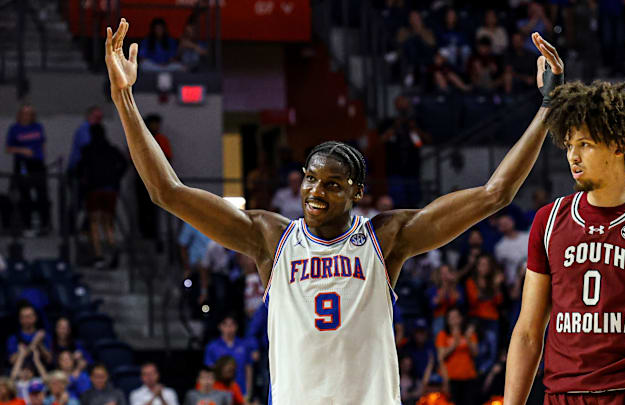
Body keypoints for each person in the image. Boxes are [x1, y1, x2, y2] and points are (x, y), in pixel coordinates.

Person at [106, 20, 563, 404]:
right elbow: (166, 190)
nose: (315, 191)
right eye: (309, 178)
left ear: (357, 192)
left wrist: (547, 108)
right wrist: (125, 100)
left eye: (331, 184)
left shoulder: (387, 237)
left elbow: (494, 193)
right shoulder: (269, 237)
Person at [504, 79, 625, 405]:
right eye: (568, 146)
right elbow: (528, 332)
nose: (573, 157)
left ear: (619, 145)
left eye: (585, 144)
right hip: (562, 397)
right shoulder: (548, 221)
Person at [75, 124, 128, 268]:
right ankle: (112, 247)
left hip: (94, 189)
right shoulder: (112, 150)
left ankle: (98, 255)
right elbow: (124, 164)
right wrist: (115, 178)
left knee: (94, 223)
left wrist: (84, 179)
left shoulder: (87, 150)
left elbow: (79, 169)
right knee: (108, 223)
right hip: (110, 189)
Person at [5, 104, 50, 234]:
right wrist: (22, 150)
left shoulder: (38, 127)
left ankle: (44, 224)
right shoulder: (14, 129)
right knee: (25, 195)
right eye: (24, 113)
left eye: (29, 113)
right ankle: (27, 224)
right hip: (22, 163)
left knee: (42, 194)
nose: (26, 116)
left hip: (37, 163)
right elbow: (8, 148)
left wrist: (42, 158)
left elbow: (42, 145)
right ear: (20, 115)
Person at [203, 316, 258, 396]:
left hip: (241, 389)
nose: (229, 329)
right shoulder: (212, 347)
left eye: (232, 325)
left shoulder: (244, 345)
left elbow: (248, 369)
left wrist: (248, 391)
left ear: (236, 327)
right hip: (219, 391)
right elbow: (209, 371)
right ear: (220, 326)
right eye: (225, 325)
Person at [435, 308, 479, 405]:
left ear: (461, 318)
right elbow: (441, 356)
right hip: (451, 378)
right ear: (447, 320)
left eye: (456, 317)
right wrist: (454, 343)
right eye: (451, 317)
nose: (454, 319)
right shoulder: (443, 335)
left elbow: (475, 353)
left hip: (468, 376)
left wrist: (467, 338)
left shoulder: (469, 334)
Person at [7, 303, 52, 367]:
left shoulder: (43, 335)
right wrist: (34, 342)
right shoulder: (14, 338)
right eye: (24, 317)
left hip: (44, 372)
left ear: (35, 317)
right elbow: (12, 361)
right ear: (20, 319)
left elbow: (49, 360)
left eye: (29, 316)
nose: (27, 320)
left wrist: (40, 345)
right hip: (22, 373)